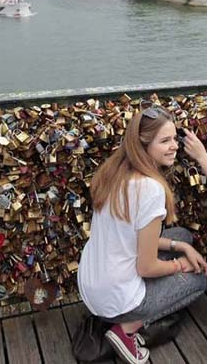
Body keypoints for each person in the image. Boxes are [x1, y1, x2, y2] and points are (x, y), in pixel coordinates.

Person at [77, 106, 207, 364]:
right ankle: (127, 330)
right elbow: (146, 266)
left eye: (174, 139)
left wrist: (182, 248)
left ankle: (124, 312)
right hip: (116, 302)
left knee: (181, 236)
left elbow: (127, 237)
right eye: (164, 141)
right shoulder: (150, 190)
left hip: (92, 287)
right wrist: (181, 265)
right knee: (201, 278)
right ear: (143, 145)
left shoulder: (113, 171)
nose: (174, 147)